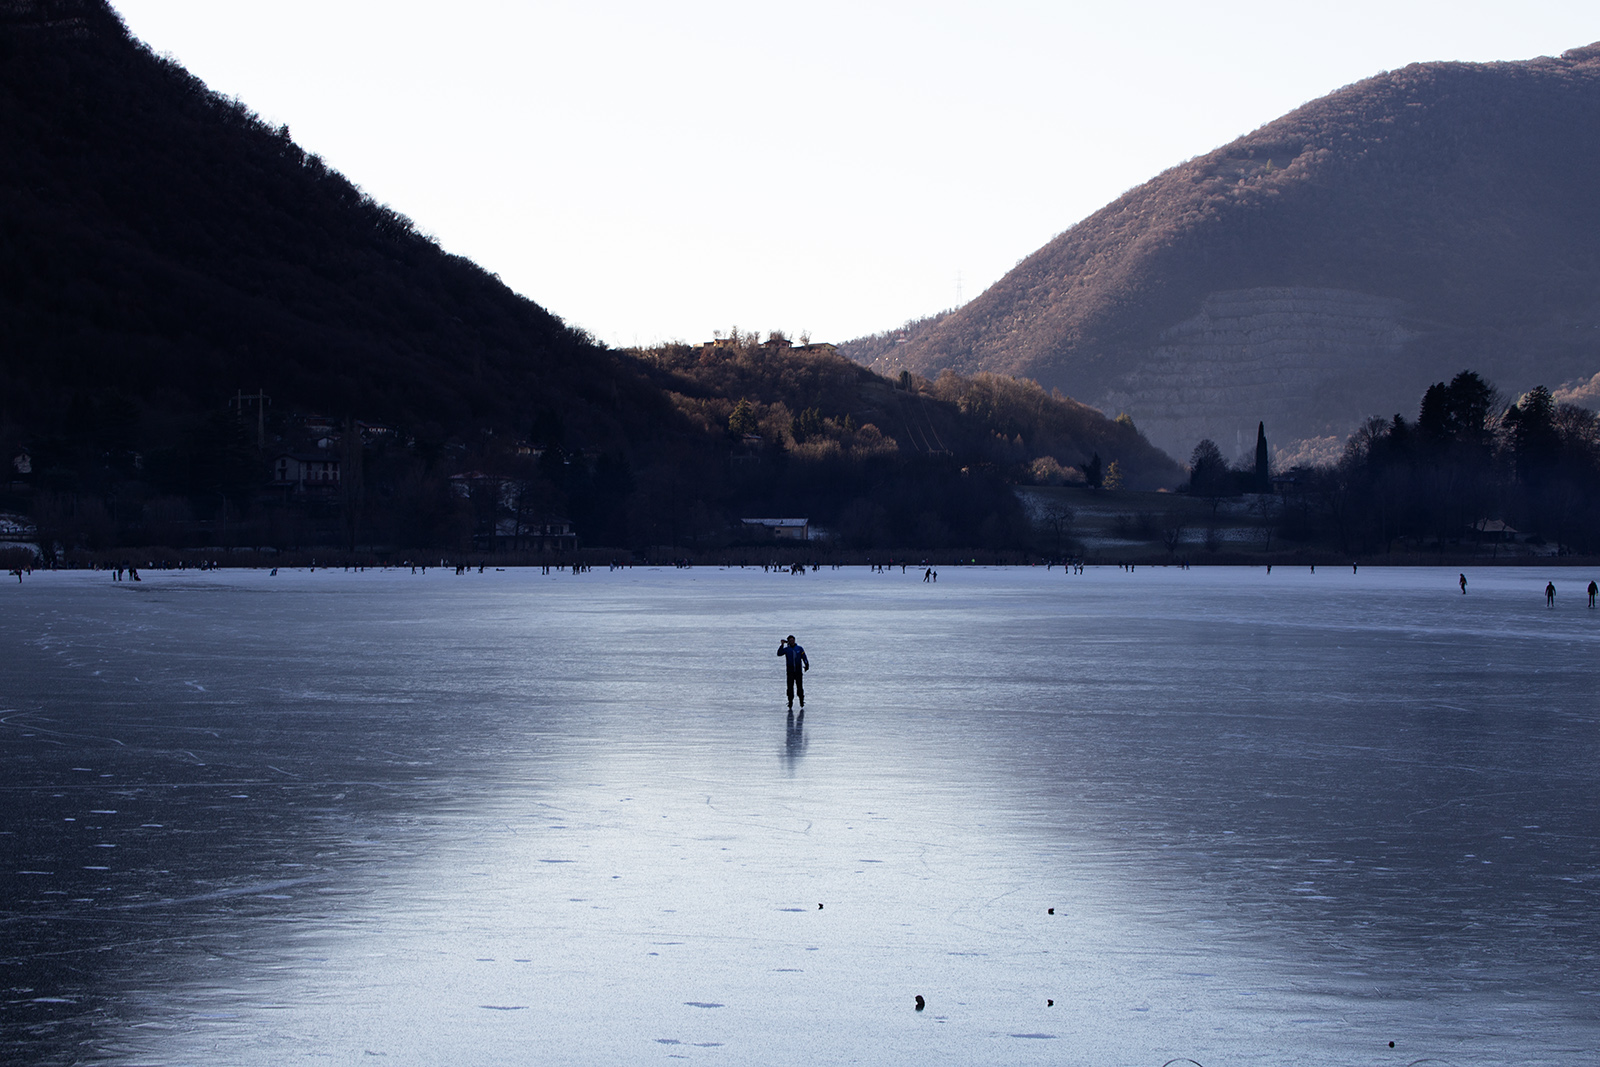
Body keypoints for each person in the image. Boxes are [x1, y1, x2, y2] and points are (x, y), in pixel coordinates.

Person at [777, 634, 809, 711]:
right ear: (788, 641)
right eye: (790, 641)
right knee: (790, 687)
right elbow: (779, 653)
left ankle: (801, 700)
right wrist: (781, 645)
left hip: (798, 671)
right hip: (790, 672)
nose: (792, 642)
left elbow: (804, 657)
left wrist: (807, 665)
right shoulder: (787, 649)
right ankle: (790, 701)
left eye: (793, 640)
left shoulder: (799, 648)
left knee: (800, 687)